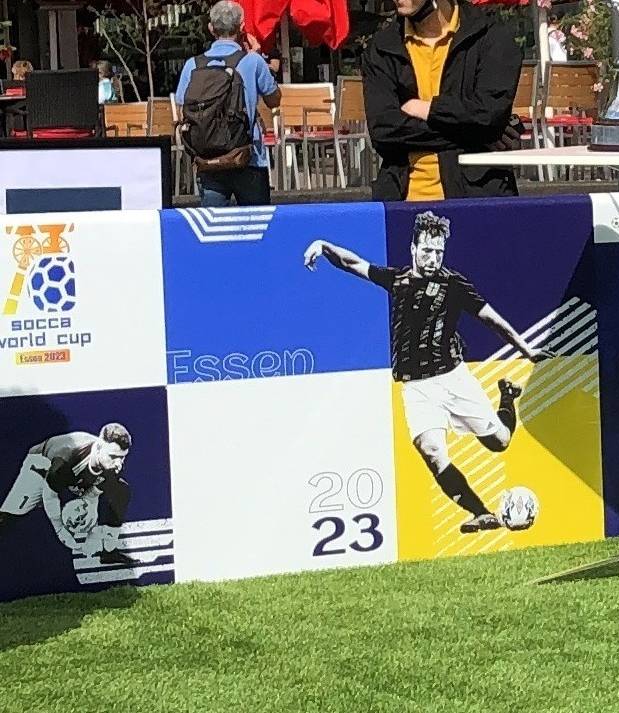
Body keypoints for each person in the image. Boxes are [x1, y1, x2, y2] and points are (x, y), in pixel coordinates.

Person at [302, 212, 553, 533]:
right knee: (431, 450)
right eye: (427, 251)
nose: (433, 258)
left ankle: (507, 397)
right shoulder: (399, 281)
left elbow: (491, 318)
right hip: (417, 387)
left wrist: (526, 349)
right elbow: (354, 264)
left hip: (453, 379)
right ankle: (481, 513)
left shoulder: (454, 284)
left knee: (500, 442)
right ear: (413, 248)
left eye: (438, 252)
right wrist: (323, 246)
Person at [362, 0, 523, 202]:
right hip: (401, 199)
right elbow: (383, 131)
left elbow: (489, 116)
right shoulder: (382, 47)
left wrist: (429, 109)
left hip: (476, 197)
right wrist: (475, 134)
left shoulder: (491, 36)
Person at [173, 0, 281, 207]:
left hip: (208, 160)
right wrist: (257, 55)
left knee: (214, 230)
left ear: (211, 28)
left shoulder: (192, 65)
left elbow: (180, 109)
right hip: (248, 157)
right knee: (257, 228)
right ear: (242, 27)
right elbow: (274, 100)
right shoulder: (252, 61)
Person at [0, 424, 137, 565]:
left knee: (121, 491)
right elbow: (50, 495)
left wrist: (91, 529)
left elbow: (92, 495)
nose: (118, 464)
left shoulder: (112, 465)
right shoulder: (67, 458)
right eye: (114, 456)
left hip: (75, 475)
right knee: (9, 516)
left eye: (122, 457)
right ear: (99, 447)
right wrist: (61, 531)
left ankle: (109, 551)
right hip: (42, 464)